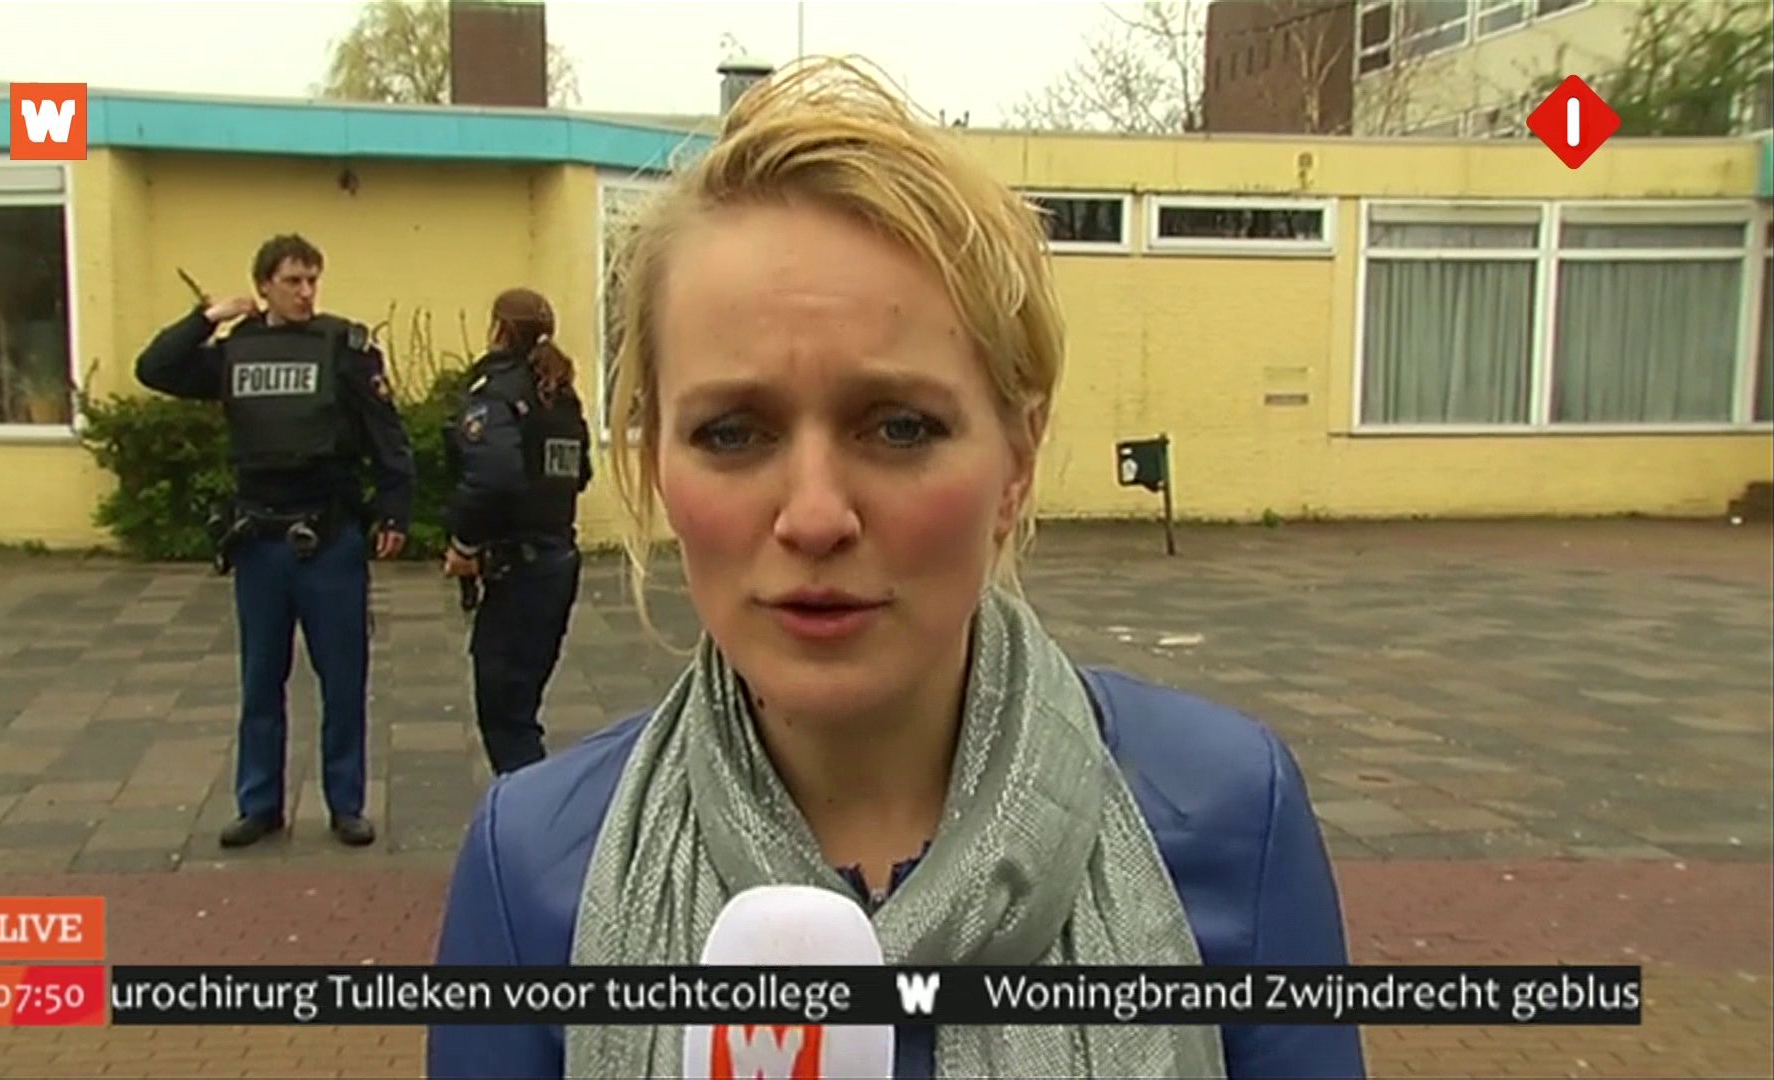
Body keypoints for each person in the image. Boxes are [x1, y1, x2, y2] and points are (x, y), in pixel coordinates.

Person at [429, 59, 1363, 1079]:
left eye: (901, 426)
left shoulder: (1228, 818)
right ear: (656, 464)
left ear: (1017, 458)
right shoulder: (533, 872)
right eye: (733, 432)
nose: (815, 516)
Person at [135, 233, 413, 849]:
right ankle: (259, 804)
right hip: (260, 541)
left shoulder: (343, 347)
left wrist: (394, 513)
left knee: (342, 679)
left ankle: (346, 804)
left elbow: (386, 437)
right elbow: (154, 369)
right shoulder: (237, 351)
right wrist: (207, 318)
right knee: (261, 680)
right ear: (263, 286)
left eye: (312, 280)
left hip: (329, 538)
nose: (306, 292)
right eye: (292, 281)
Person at [440, 287, 593, 775]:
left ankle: (530, 812)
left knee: (505, 717)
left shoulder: (498, 392)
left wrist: (464, 543)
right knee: (521, 709)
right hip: (556, 564)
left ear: (499, 330)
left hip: (518, 569)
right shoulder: (560, 395)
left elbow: (494, 476)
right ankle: (529, 802)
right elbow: (580, 473)